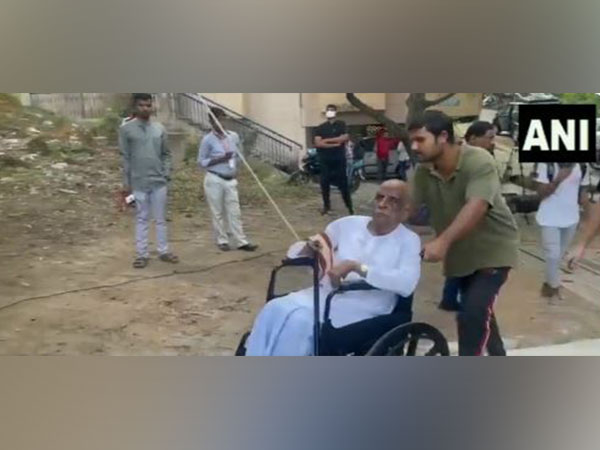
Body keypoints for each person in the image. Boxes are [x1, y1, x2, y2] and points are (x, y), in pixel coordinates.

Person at [245, 180, 421, 356]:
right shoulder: (348, 224)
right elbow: (307, 250)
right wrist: (309, 248)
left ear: (405, 212)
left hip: (366, 304)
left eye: (392, 200)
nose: (382, 204)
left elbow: (406, 284)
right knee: (275, 308)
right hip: (326, 293)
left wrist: (358, 268)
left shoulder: (409, 241)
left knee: (300, 321)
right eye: (380, 197)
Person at [408, 110, 520, 356]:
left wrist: (442, 241)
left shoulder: (477, 160)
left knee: (472, 313)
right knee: (480, 313)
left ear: (443, 137)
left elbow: (477, 205)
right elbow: (409, 209)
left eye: (420, 140)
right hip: (460, 256)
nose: (414, 146)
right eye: (412, 140)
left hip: (493, 250)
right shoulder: (424, 171)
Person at [438, 120, 498, 311]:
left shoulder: (481, 158)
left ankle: (453, 298)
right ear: (473, 138)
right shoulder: (457, 159)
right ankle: (457, 299)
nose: (493, 142)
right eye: (489, 137)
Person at [119, 93, 179, 269]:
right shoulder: (126, 130)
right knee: (142, 218)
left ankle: (163, 251)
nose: (145, 108)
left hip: (159, 181)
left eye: (148, 105)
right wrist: (126, 184)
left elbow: (166, 154)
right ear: (135, 107)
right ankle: (142, 254)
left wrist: (166, 173)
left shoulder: (159, 128)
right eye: (141, 105)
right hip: (138, 182)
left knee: (160, 219)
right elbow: (125, 157)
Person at [197, 107, 258, 252]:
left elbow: (240, 155)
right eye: (216, 119)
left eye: (222, 118)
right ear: (211, 121)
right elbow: (201, 162)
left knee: (234, 210)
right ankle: (222, 240)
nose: (219, 122)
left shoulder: (233, 136)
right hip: (214, 178)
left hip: (230, 179)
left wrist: (237, 168)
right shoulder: (207, 140)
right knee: (217, 211)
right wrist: (219, 159)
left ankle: (241, 241)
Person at [534, 163, 590, 302]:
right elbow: (541, 193)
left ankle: (548, 286)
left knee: (558, 256)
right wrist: (558, 179)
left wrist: (587, 217)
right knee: (552, 255)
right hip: (548, 217)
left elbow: (583, 194)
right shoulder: (546, 165)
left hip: (571, 218)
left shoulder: (582, 166)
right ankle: (554, 287)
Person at [314, 104, 354, 215]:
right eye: (328, 110)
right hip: (325, 159)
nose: (330, 112)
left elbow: (345, 138)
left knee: (343, 184)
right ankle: (326, 207)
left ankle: (349, 207)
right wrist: (335, 144)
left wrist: (326, 140)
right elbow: (318, 143)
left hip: (339, 159)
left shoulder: (341, 124)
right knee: (324, 184)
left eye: (332, 110)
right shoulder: (320, 127)